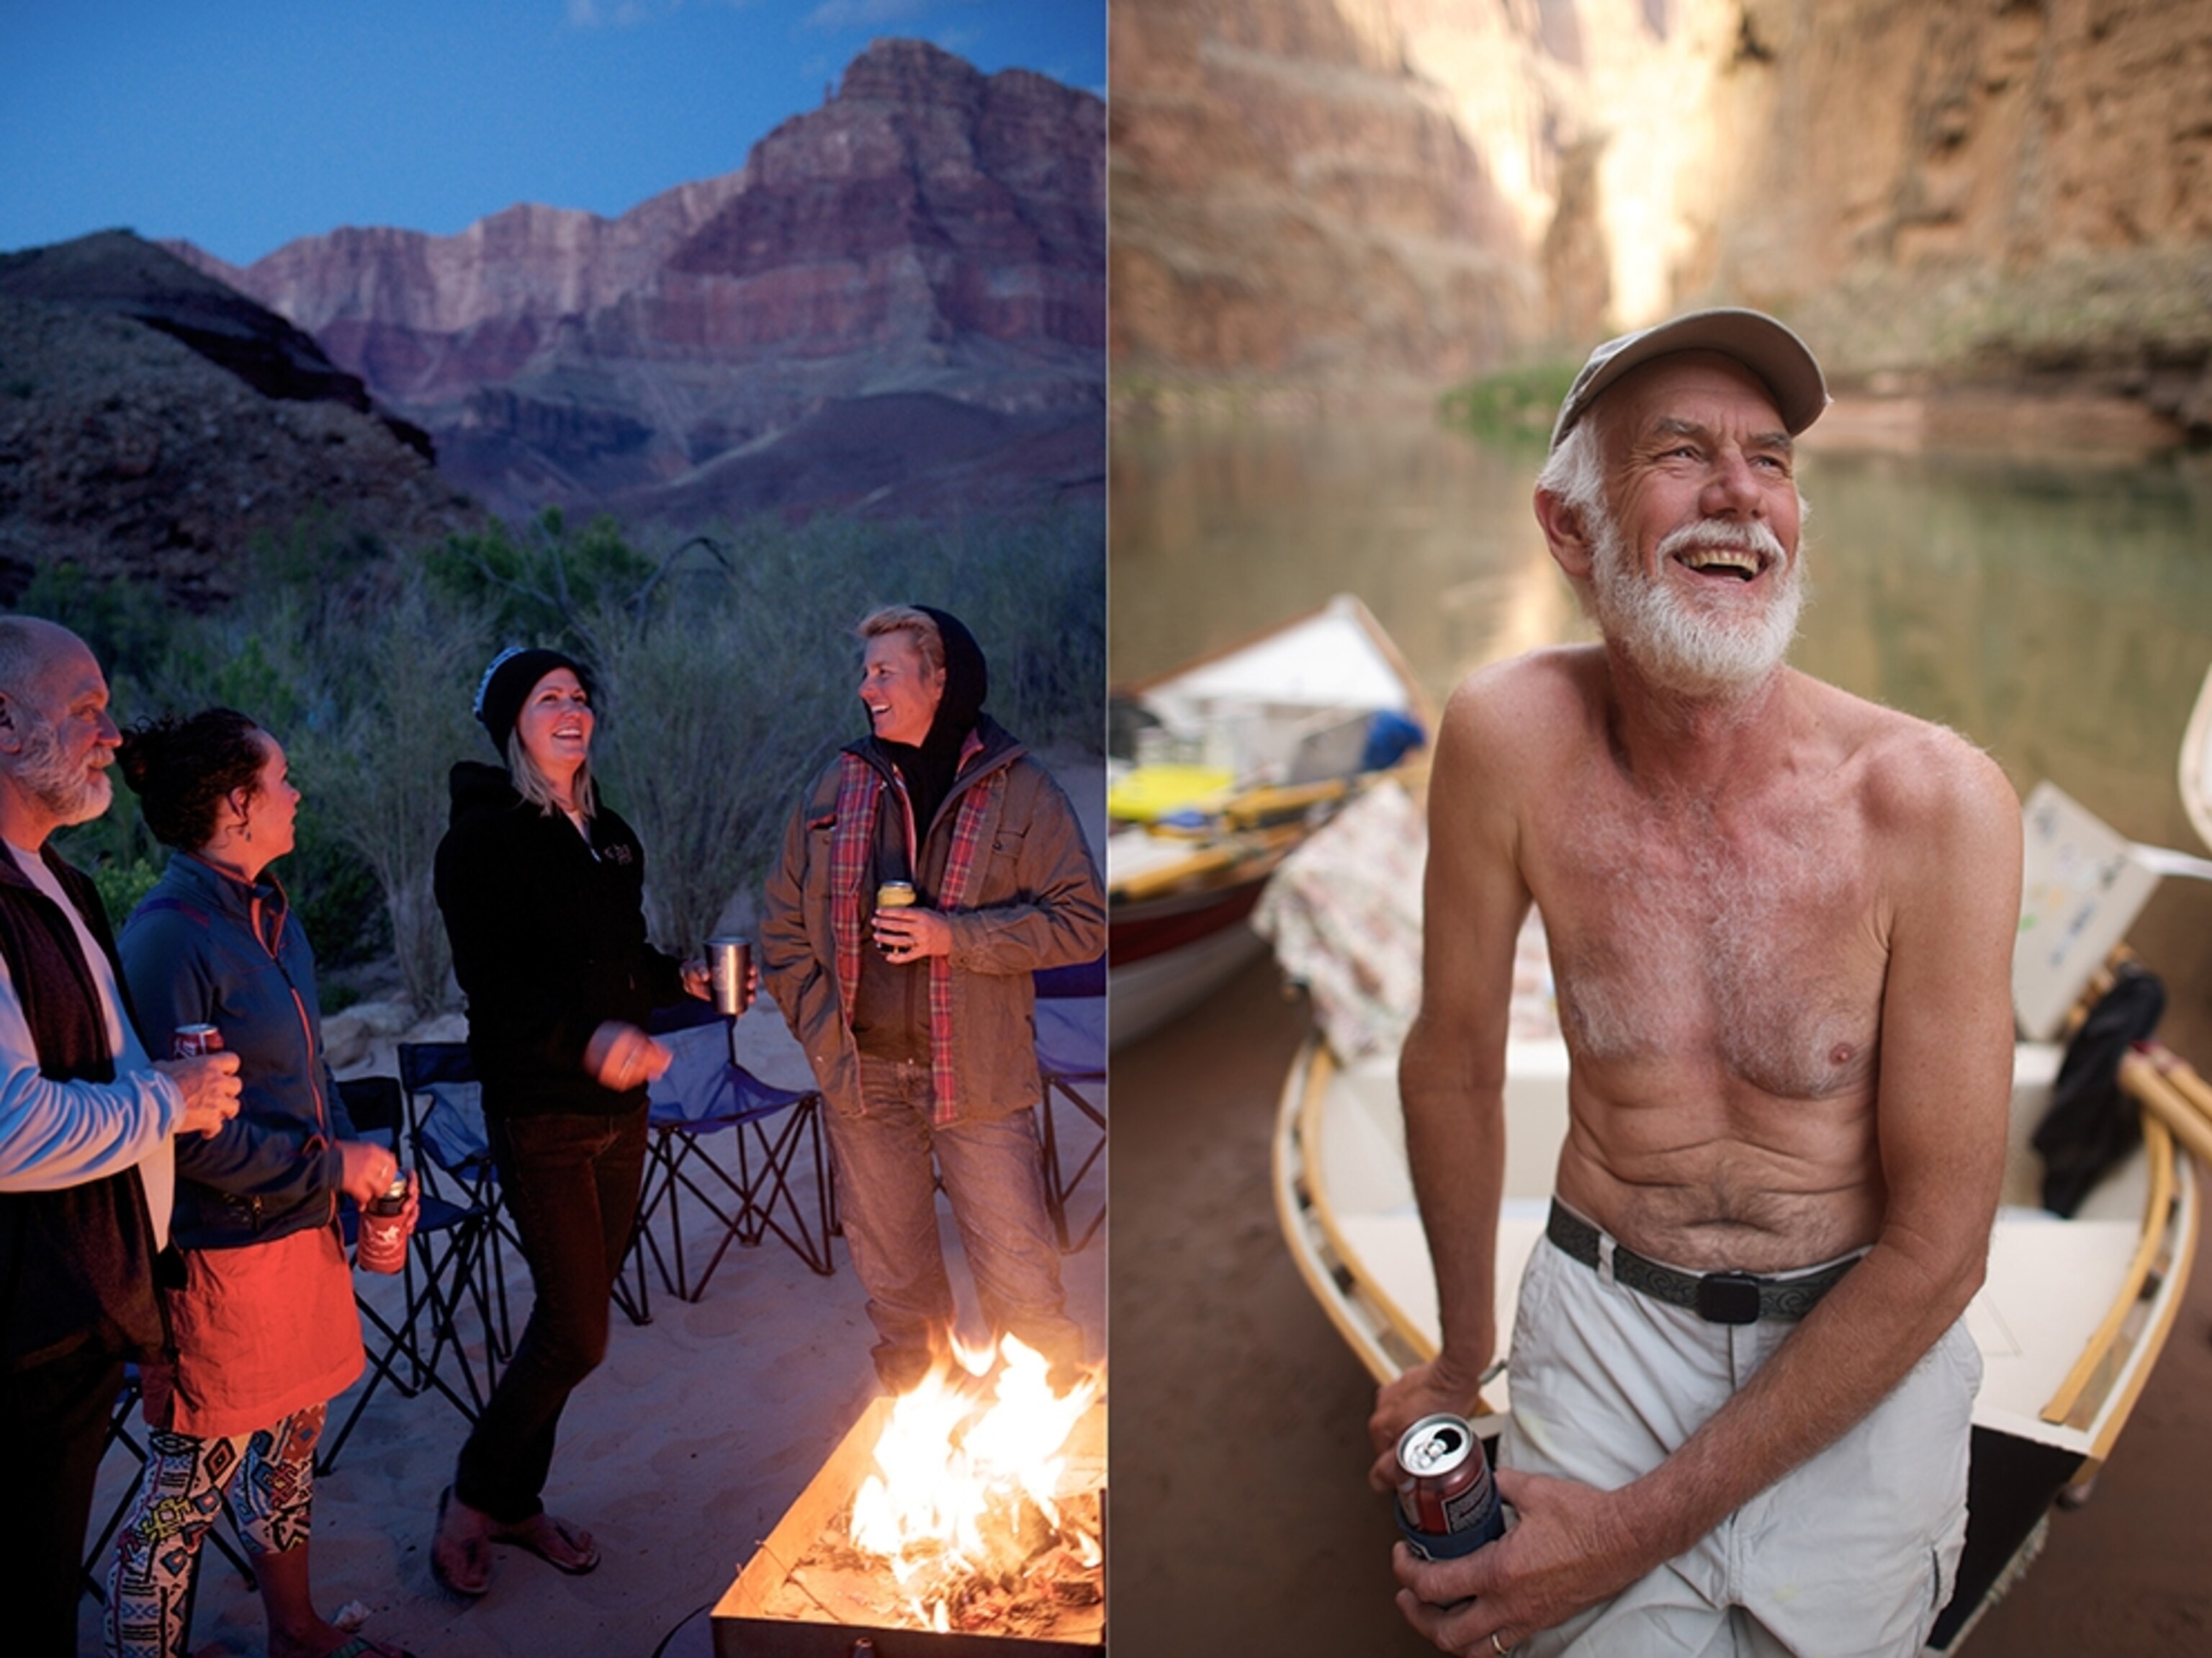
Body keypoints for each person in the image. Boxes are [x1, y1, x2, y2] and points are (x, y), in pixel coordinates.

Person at [1367, 310, 2021, 1657]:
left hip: (1858, 1336)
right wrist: (1455, 1351)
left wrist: (1629, 1528)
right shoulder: (1506, 739)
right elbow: (1452, 1057)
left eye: (1770, 460)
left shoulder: (1933, 804)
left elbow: (1942, 1243)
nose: (1740, 491)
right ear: (1570, 532)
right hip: (1604, 1313)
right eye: (1680, 451)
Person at [105, 708, 415, 1658]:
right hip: (223, 1252)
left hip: (299, 1231)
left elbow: (307, 1073)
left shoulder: (267, 914)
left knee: (288, 1446)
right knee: (184, 1490)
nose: (296, 792)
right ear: (237, 804)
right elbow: (186, 1137)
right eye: (280, 779)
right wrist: (333, 1164)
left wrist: (360, 1166)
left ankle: (297, 1628)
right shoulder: (170, 935)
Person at [761, 605, 1103, 1393]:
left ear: (940, 679)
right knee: (901, 1303)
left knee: (1026, 1295)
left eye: (884, 672)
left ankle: (1060, 1470)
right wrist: (820, 1033)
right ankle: (927, 1464)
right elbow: (782, 925)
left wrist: (959, 937)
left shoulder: (1021, 790)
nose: (866, 687)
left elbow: (1084, 923)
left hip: (978, 1078)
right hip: (862, 1077)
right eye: (866, 671)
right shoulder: (837, 782)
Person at [429, 646, 712, 1596]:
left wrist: (679, 979)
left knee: (569, 1318)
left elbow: (624, 955)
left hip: (620, 1112)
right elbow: (495, 994)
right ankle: (474, 1497)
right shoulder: (481, 842)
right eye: (549, 698)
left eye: (582, 697)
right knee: (581, 1334)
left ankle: (516, 1499)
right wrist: (585, 1041)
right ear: (514, 721)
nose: (572, 709)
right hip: (542, 1109)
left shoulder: (611, 833)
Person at [0, 616, 240, 1658]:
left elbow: (95, 1074)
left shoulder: (62, 880)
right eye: (86, 707)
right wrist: (170, 1101)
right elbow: (10, 1129)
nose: (112, 733)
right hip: (26, 1336)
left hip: (84, 1315)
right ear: (5, 724)